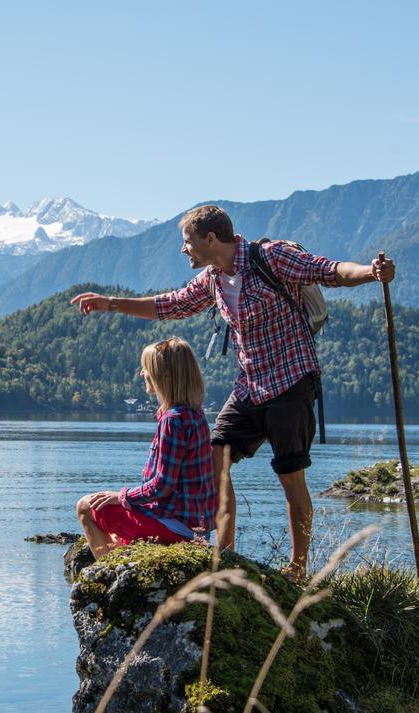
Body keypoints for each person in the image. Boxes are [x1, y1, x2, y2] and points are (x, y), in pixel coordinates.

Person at [71, 205, 395, 577]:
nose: (184, 249)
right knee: (215, 457)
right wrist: (110, 304)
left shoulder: (270, 257)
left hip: (291, 381)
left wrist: (371, 272)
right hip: (250, 384)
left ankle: (298, 567)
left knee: (291, 476)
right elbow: (170, 306)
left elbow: (329, 270)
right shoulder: (212, 279)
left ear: (211, 239)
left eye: (188, 241)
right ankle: (223, 555)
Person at [76, 337, 216, 559]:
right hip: (196, 529)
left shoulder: (173, 420)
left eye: (147, 368)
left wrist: (121, 496)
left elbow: (162, 486)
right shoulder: (196, 415)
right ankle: (123, 558)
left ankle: (106, 575)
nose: (142, 373)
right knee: (116, 537)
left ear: (165, 376)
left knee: (85, 506)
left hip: (175, 530)